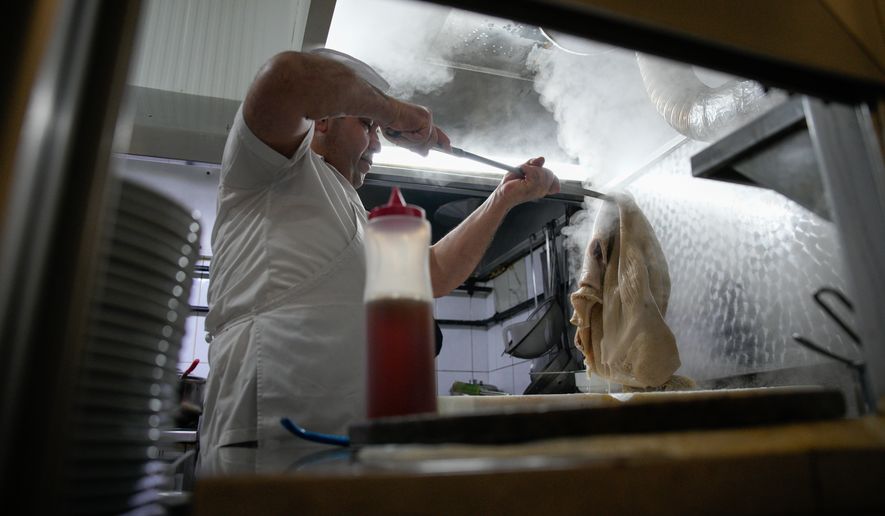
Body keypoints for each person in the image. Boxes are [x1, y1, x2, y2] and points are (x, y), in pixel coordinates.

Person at [199, 48, 559, 473]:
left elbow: (432, 273)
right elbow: (288, 77)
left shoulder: (355, 214)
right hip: (274, 433)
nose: (377, 143)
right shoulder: (271, 169)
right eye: (366, 126)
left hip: (343, 439)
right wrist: (396, 114)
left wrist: (504, 198)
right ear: (323, 120)